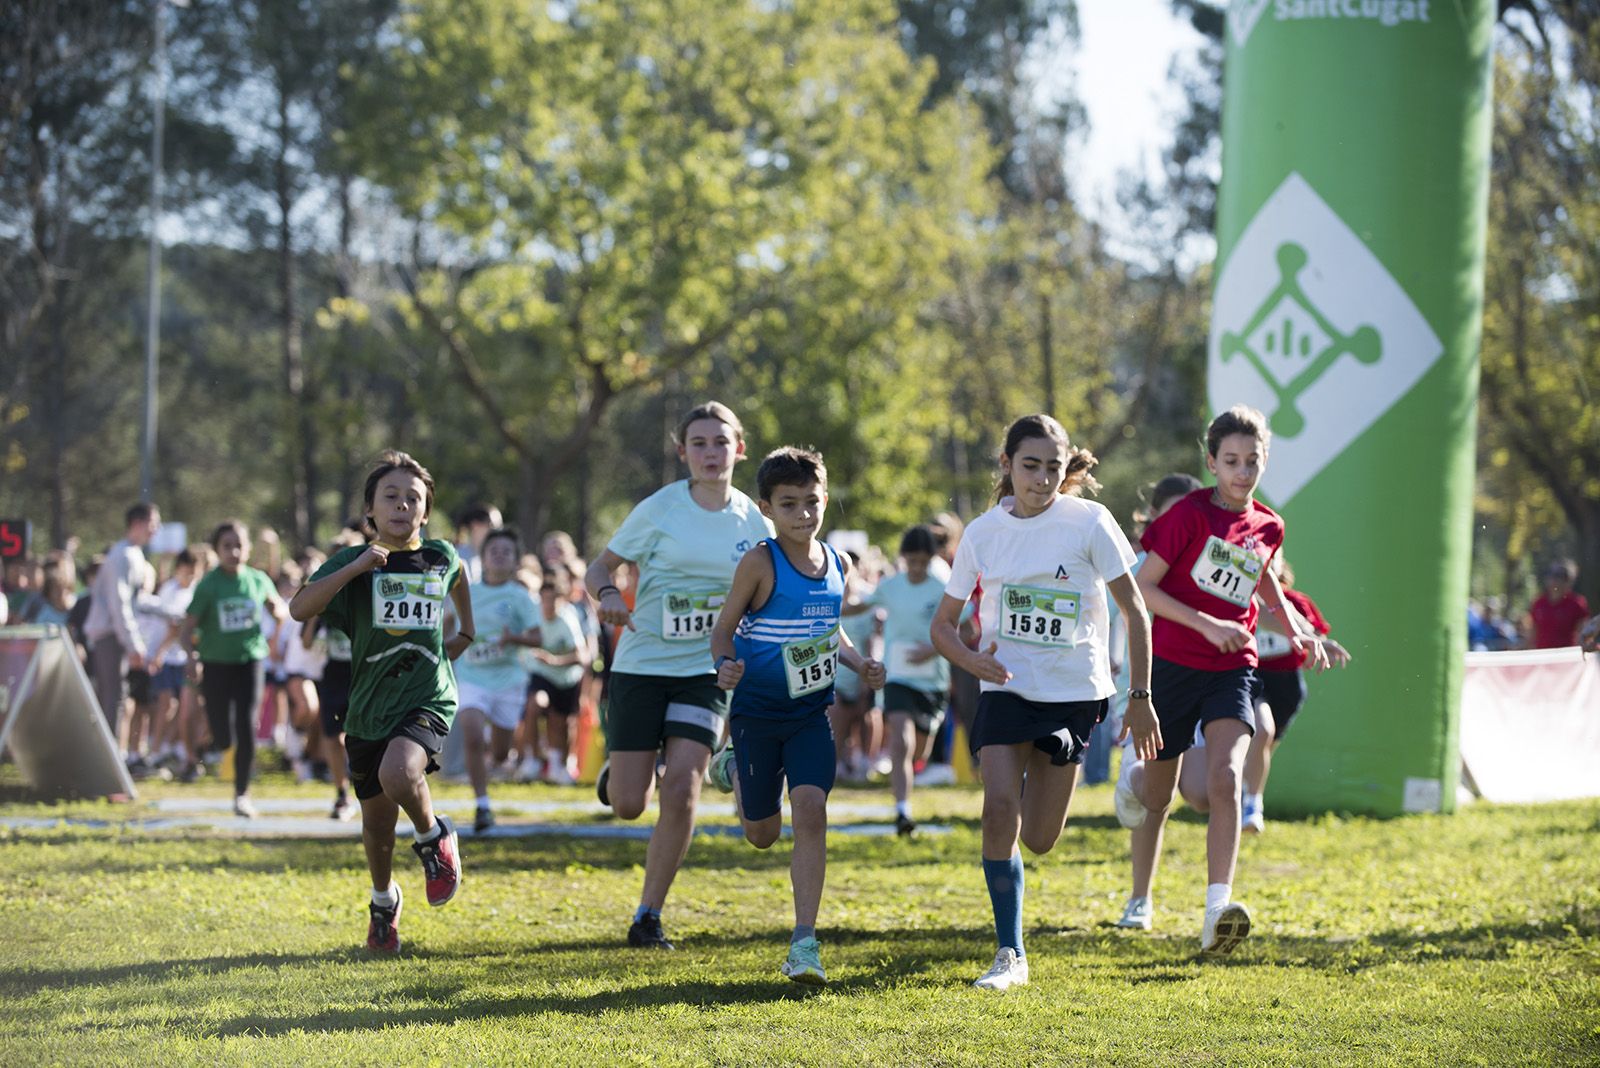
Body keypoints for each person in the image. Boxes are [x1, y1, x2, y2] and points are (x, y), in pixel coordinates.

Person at [929, 414, 1155, 992]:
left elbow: (1136, 613)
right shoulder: (982, 532)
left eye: (1054, 467)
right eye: (1030, 466)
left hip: (1074, 694)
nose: (1043, 478)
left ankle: (1089, 774)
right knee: (998, 810)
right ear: (1006, 466)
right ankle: (1011, 953)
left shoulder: (1090, 522)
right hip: (1004, 685)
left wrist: (1139, 696)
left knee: (1039, 839)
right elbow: (944, 626)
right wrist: (972, 661)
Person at [1113, 405, 1329, 955]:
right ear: (1211, 462)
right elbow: (1144, 590)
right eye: (1230, 460)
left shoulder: (1268, 525)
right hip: (1174, 665)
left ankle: (1216, 910)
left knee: (1226, 778)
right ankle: (1134, 780)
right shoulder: (1186, 515)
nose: (1242, 471)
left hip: (1234, 666)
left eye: (1252, 461)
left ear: (1264, 462)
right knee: (1160, 796)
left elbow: (1262, 584)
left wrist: (1300, 631)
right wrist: (1206, 623)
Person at [585, 401, 773, 950]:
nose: (711, 454)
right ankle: (624, 775)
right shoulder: (660, 509)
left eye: (721, 442)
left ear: (739, 449)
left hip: (706, 669)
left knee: (684, 787)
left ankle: (648, 915)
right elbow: (601, 566)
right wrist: (608, 595)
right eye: (699, 444)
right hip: (643, 665)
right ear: (682, 451)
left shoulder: (753, 519)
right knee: (628, 804)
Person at [708, 446, 885, 985]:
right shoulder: (760, 562)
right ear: (767, 508)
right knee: (761, 833)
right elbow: (723, 629)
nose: (803, 514)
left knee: (810, 809)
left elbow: (830, 631)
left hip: (812, 713)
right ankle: (735, 767)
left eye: (812, 502)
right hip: (758, 714)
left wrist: (857, 662)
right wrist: (725, 665)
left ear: (825, 500)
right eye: (789, 504)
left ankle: (804, 943)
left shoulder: (838, 563)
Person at [290, 450, 474, 953]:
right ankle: (383, 902)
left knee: (400, 773)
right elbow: (298, 608)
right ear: (369, 510)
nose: (401, 505)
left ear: (426, 510)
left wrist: (451, 646)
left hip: (428, 697)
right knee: (375, 825)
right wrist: (356, 570)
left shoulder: (441, 556)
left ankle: (435, 839)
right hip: (369, 706)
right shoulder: (352, 562)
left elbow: (461, 599)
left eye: (413, 498)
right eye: (389, 496)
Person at [850, 525, 957, 836]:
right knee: (901, 742)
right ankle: (902, 810)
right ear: (903, 559)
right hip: (897, 678)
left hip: (932, 683)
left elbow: (964, 627)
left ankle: (907, 794)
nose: (917, 569)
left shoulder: (942, 589)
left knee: (919, 752)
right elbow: (858, 606)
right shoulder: (891, 586)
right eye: (911, 562)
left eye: (923, 562)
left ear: (932, 559)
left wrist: (934, 648)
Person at [179, 521, 287, 818]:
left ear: (248, 548)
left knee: (246, 724)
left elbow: (279, 611)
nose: (234, 552)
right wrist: (192, 657)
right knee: (221, 729)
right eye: (227, 546)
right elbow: (186, 629)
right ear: (217, 550)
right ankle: (221, 746)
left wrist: (275, 625)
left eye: (239, 545)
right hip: (215, 663)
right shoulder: (209, 585)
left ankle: (242, 793)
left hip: (250, 661)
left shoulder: (257, 579)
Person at [1243, 557, 1351, 833]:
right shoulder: (1241, 598)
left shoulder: (1296, 603)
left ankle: (1248, 793)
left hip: (1287, 687)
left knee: (1265, 746)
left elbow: (1314, 635)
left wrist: (1322, 645)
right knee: (1262, 731)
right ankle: (1252, 807)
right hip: (1252, 678)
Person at [452, 525, 542, 833]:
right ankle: (483, 805)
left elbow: (538, 637)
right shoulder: (468, 591)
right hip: (471, 676)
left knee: (501, 753)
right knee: (473, 735)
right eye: (494, 551)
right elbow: (445, 620)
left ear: (516, 560)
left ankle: (497, 752)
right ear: (484, 557)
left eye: (507, 552)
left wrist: (514, 638)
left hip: (508, 680)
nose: (500, 556)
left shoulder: (521, 597)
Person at [84, 503, 160, 737]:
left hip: (116, 634)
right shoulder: (123, 555)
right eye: (152, 523)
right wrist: (133, 644)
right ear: (137, 523)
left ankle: (110, 756)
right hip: (110, 635)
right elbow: (120, 604)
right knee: (112, 697)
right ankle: (108, 760)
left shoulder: (133, 554)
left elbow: (138, 601)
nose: (156, 529)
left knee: (116, 696)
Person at [526, 568, 588, 786]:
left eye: (553, 600)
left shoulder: (569, 619)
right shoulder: (533, 615)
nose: (548, 605)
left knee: (559, 722)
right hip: (542, 675)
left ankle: (555, 766)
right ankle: (531, 759)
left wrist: (554, 660)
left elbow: (582, 656)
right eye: (544, 599)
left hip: (567, 678)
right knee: (535, 703)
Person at [1525, 560, 1590, 649]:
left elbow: (1584, 634)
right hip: (1542, 658)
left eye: (1560, 575)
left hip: (1567, 658)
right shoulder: (1538, 603)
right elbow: (1532, 634)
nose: (1554, 579)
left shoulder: (1577, 603)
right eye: (1551, 574)